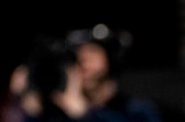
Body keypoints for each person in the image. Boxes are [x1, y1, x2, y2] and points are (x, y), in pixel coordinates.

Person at [9, 25, 164, 122]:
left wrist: (85, 115)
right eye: (77, 55)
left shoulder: (139, 112)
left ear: (111, 61)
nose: (83, 61)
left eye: (93, 52)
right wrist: (30, 108)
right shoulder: (59, 114)